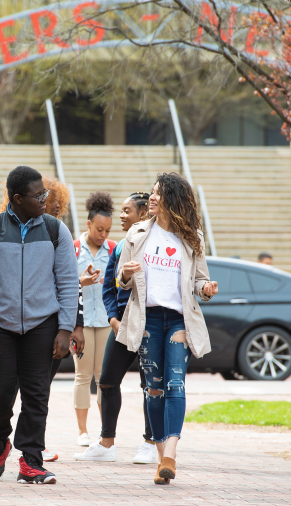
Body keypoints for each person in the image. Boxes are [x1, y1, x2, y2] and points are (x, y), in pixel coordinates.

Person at [0, 166, 78, 484]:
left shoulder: (57, 231)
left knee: (36, 394)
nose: (45, 198)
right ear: (17, 199)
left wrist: (65, 328)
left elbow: (69, 283)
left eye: (45, 193)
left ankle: (31, 460)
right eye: (38, 195)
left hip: (43, 324)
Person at [115, 173, 218, 485]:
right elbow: (120, 279)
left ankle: (170, 453)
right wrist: (126, 274)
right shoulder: (137, 233)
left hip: (178, 320)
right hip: (146, 319)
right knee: (154, 388)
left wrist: (206, 288)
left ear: (173, 199)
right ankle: (162, 458)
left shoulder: (191, 237)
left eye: (159, 193)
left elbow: (200, 280)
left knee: (176, 383)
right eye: (152, 193)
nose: (152, 198)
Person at [74, 191, 157, 464]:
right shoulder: (120, 246)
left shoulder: (156, 243)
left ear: (143, 213)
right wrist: (113, 319)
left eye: (126, 211)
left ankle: (149, 442)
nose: (121, 215)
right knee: (107, 381)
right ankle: (106, 444)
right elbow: (110, 287)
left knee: (150, 386)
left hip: (150, 324)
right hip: (121, 325)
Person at [71, 191, 115, 447]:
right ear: (88, 224)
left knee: (104, 377)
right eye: (99, 229)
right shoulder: (74, 249)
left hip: (106, 321)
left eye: (108, 230)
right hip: (82, 323)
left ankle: (104, 432)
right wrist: (81, 281)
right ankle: (82, 431)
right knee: (83, 375)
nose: (104, 235)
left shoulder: (113, 249)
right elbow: (63, 284)